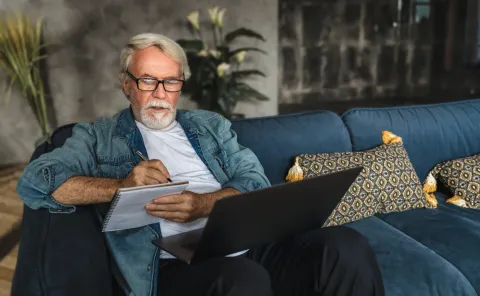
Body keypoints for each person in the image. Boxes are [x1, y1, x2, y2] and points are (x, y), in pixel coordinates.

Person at [16, 33, 384, 296]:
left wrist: (204, 204)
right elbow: (35, 182)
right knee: (241, 279)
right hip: (173, 262)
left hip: (246, 239)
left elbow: (254, 179)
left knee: (344, 245)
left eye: (171, 81)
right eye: (148, 80)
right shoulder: (98, 136)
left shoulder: (210, 126)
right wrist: (121, 187)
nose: (160, 93)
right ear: (126, 85)